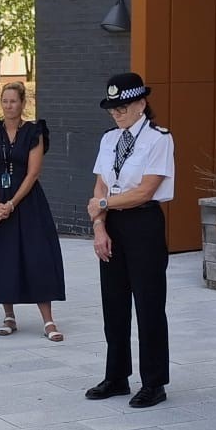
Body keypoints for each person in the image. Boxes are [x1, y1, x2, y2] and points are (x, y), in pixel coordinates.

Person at [86, 73, 175, 409]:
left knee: (149, 303)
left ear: (141, 103)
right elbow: (100, 186)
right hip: (112, 224)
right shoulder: (109, 139)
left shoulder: (158, 139)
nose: (116, 113)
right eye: (112, 108)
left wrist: (104, 205)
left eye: (122, 106)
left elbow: (145, 190)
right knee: (114, 303)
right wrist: (99, 227)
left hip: (143, 223)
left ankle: (154, 381)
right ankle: (116, 375)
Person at [0, 80, 66, 340]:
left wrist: (12, 204)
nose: (8, 106)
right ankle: (9, 316)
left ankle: (48, 321)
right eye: (4, 101)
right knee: (4, 256)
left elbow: (33, 172)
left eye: (13, 101)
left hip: (26, 201)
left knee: (38, 256)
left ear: (23, 103)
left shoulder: (34, 131)